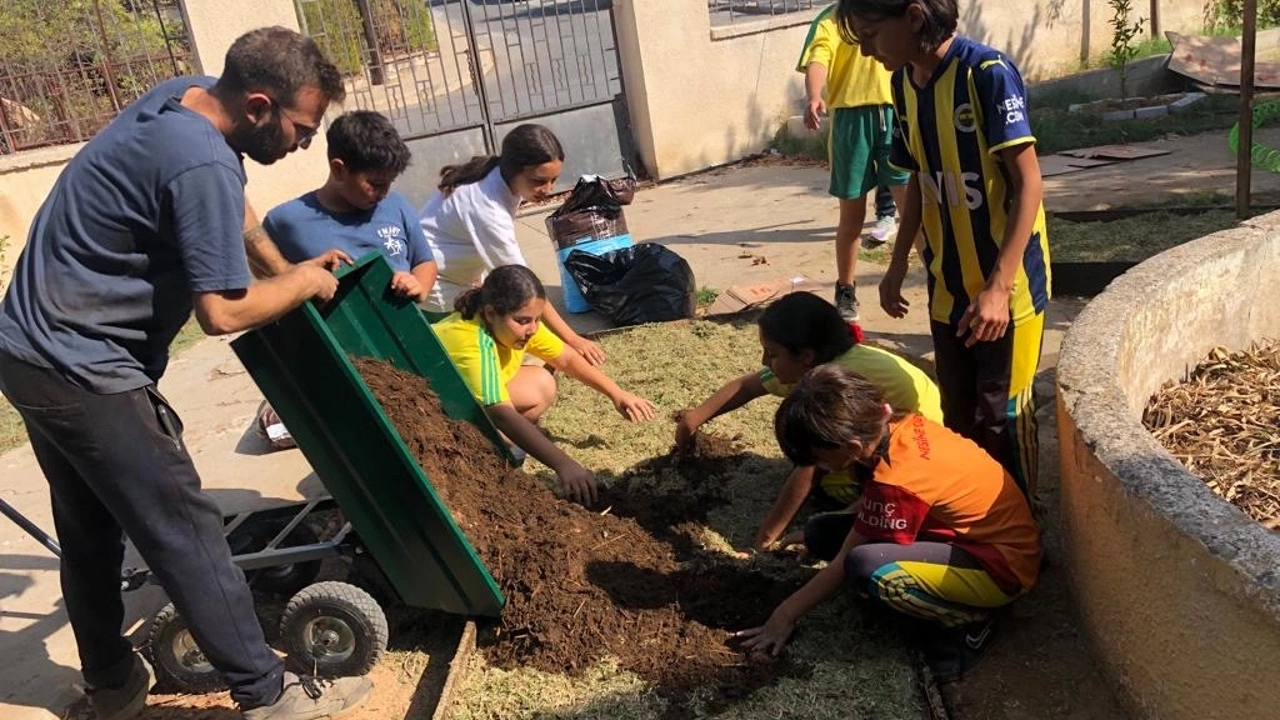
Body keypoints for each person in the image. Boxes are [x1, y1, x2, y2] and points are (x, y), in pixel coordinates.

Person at [0, 27, 373, 720]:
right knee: (186, 530)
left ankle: (112, 687)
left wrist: (280, 265)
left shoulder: (184, 99)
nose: (304, 144)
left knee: (89, 531)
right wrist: (301, 287)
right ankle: (269, 696)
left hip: (26, 350)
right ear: (259, 105)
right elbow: (224, 314)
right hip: (84, 368)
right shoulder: (199, 161)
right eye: (301, 128)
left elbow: (234, 210)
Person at [836, 0, 1052, 499]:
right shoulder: (901, 84)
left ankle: (1021, 537)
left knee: (1002, 418)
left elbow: (1029, 184)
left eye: (870, 34)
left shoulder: (987, 74)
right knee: (958, 414)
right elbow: (918, 181)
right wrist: (895, 266)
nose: (867, 50)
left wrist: (998, 289)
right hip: (946, 288)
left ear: (913, 18)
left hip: (1008, 292)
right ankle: (971, 521)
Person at [736, 366, 1041, 682]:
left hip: (1002, 567)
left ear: (853, 448)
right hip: (966, 536)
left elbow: (847, 559)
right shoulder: (897, 426)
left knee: (870, 569)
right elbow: (870, 506)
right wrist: (818, 533)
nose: (820, 468)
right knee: (821, 533)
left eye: (820, 460)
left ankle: (970, 622)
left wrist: (784, 615)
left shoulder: (897, 479)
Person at [675, 292, 942, 550]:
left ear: (806, 356)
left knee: (822, 482)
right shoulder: (836, 362)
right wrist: (692, 420)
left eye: (772, 353)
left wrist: (763, 542)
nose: (764, 361)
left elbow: (811, 468)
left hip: (918, 475)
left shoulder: (837, 384)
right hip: (913, 452)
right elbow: (747, 386)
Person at [432, 265, 656, 505]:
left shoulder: (517, 326)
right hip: (438, 414)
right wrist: (564, 464)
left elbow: (566, 359)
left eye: (537, 319)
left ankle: (501, 445)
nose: (532, 329)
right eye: (524, 321)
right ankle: (483, 454)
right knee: (508, 419)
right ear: (490, 313)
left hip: (464, 398)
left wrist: (617, 394)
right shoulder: (474, 342)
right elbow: (502, 414)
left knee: (541, 383)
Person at [417, 123, 606, 365]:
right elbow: (525, 282)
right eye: (539, 181)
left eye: (553, 180)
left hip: (459, 277)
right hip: (436, 290)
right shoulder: (487, 207)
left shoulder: (502, 177)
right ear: (515, 169)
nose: (548, 190)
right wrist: (572, 339)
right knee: (474, 360)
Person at [799, 3, 913, 321]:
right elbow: (819, 55)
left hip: (894, 113)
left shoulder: (889, 9)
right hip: (851, 121)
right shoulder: (833, 18)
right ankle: (846, 290)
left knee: (913, 208)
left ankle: (940, 283)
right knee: (852, 217)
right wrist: (814, 95)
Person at [264, 110, 438, 301]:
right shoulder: (285, 222)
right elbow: (268, 288)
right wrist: (307, 276)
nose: (384, 193)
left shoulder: (395, 205)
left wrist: (418, 286)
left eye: (391, 181)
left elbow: (424, 261)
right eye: (376, 184)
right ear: (339, 169)